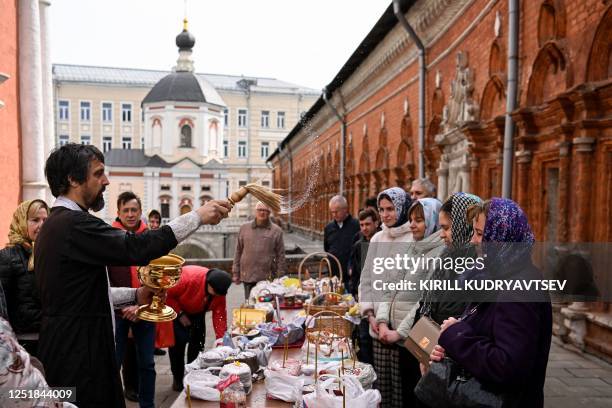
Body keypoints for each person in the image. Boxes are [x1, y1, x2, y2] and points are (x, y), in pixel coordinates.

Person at [35, 143, 231, 408]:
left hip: (70, 349)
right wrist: (197, 216)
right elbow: (137, 247)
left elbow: (87, 294)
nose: (106, 181)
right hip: (79, 355)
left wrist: (137, 294)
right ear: (72, 178)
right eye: (98, 173)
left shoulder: (58, 224)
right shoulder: (74, 224)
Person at [429, 198, 553, 408]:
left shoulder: (519, 289)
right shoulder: (495, 275)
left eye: (479, 233)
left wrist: (456, 335)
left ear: (501, 237)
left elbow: (507, 366)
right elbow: (486, 331)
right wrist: (450, 344)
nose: (474, 240)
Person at [376, 197, 443, 407]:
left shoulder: (439, 253)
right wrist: (382, 322)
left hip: (415, 339)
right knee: (399, 393)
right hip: (393, 333)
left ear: (432, 222)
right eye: (411, 219)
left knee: (414, 396)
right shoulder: (411, 247)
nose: (412, 224)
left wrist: (400, 332)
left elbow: (423, 302)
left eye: (419, 220)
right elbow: (390, 285)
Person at [358, 187, 412, 408]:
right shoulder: (377, 238)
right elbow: (367, 280)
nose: (385, 214)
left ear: (402, 208)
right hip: (376, 329)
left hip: (400, 330)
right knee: (381, 388)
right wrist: (370, 315)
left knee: (402, 390)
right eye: (381, 209)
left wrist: (393, 328)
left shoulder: (413, 238)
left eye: (390, 209)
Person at [108, 192, 156, 407]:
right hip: (117, 312)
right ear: (118, 212)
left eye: (134, 210)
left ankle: (148, 405)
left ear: (140, 212)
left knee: (147, 363)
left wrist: (140, 306)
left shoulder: (150, 239)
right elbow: (104, 279)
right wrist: (123, 307)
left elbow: (158, 277)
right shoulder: (108, 239)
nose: (130, 214)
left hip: (145, 309)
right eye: (125, 210)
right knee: (112, 364)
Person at [166, 266, 231, 391]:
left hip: (198, 312)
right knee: (177, 347)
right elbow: (167, 295)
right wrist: (179, 314)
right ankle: (177, 378)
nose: (217, 295)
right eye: (215, 292)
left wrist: (220, 339)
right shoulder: (187, 279)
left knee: (197, 344)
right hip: (178, 310)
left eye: (220, 294)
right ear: (208, 284)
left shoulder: (219, 290)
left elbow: (219, 314)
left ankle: (193, 375)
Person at [422, 192, 482, 325]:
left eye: (446, 228)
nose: (441, 235)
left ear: (462, 225)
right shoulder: (448, 254)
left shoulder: (476, 262)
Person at [0, 199, 48, 357]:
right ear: (21, 221)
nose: (41, 225)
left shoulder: (49, 255)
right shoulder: (8, 257)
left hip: (49, 339)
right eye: (35, 220)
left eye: (45, 220)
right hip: (21, 345)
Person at [232, 202, 287, 299]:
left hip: (267, 275)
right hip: (248, 274)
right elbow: (238, 251)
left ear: (269, 213)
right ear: (255, 212)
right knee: (249, 303)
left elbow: (280, 255)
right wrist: (236, 272)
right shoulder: (244, 228)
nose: (262, 213)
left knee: (266, 304)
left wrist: (280, 275)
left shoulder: (276, 231)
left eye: (265, 210)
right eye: (260, 210)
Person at [349, 208, 380, 365]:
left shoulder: (383, 241)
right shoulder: (358, 245)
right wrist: (354, 293)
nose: (364, 228)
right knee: (363, 339)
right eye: (361, 224)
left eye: (368, 224)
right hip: (363, 298)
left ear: (376, 223)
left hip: (379, 298)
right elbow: (355, 274)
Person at [146, 209, 170, 356]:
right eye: (152, 221)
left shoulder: (162, 238)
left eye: (157, 222)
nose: (154, 224)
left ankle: (155, 344)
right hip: (147, 280)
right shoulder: (143, 237)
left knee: (157, 314)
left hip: (159, 279)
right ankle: (150, 345)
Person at [324, 195, 360, 291]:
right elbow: (327, 248)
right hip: (334, 276)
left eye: (336, 211)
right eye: (332, 212)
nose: (334, 215)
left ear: (345, 209)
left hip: (351, 276)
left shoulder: (357, 226)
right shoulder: (328, 228)